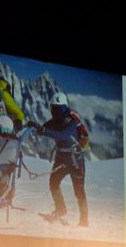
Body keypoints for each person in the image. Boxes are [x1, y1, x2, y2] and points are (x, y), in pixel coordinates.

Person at [30, 92, 89, 226]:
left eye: (57, 108)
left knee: (79, 191)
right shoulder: (55, 121)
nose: (54, 111)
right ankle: (61, 209)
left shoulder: (71, 123)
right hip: (62, 159)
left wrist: (43, 130)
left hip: (75, 161)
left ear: (63, 108)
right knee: (54, 182)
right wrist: (34, 126)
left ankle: (84, 221)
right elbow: (43, 129)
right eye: (53, 108)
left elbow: (62, 135)